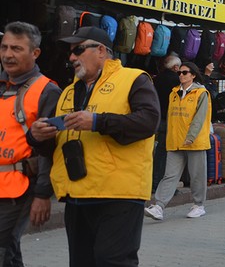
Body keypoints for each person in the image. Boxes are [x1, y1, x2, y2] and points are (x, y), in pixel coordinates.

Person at [29, 26, 160, 266]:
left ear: (101, 51)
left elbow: (149, 122)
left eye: (78, 50)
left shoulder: (134, 79)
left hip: (119, 195)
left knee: (112, 262)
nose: (71, 58)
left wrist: (99, 121)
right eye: (71, 52)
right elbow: (56, 148)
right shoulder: (68, 92)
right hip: (77, 194)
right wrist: (38, 137)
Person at [0, 22, 62, 267]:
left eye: (16, 48)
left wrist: (43, 194)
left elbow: (50, 149)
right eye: (4, 47)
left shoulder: (47, 91)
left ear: (35, 53)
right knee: (9, 251)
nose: (7, 54)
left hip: (20, 186)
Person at [145, 61, 212, 221]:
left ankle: (198, 205)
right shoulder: (173, 93)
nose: (181, 75)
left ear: (193, 75)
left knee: (197, 175)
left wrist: (191, 137)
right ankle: (159, 206)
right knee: (170, 175)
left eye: (185, 72)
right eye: (179, 73)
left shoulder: (201, 93)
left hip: (194, 142)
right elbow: (170, 117)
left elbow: (199, 118)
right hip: (175, 140)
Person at [152, 54, 181, 192]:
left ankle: (155, 181)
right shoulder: (176, 80)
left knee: (160, 152)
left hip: (159, 118)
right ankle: (163, 185)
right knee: (169, 154)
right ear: (175, 67)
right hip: (172, 120)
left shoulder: (158, 79)